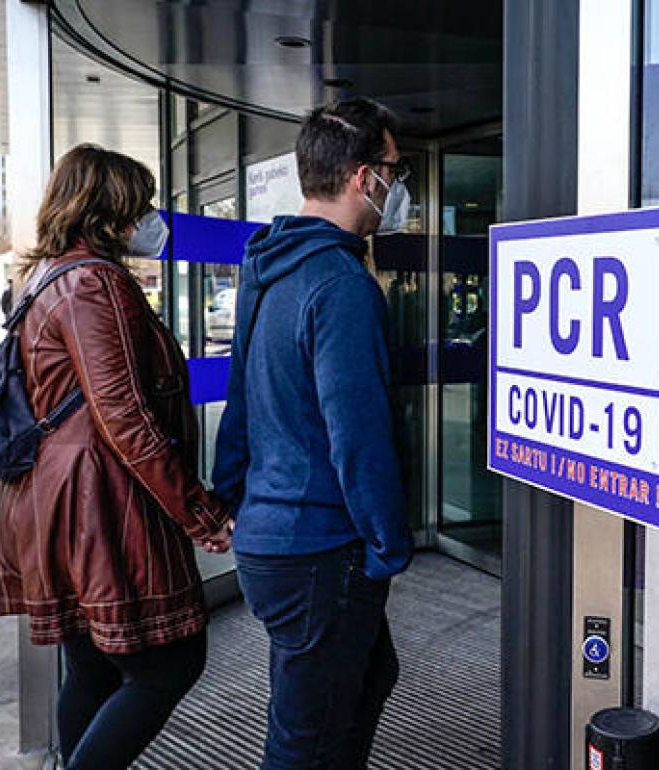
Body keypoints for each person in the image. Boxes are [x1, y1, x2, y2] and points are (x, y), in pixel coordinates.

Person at [0, 144, 233, 769]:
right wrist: (199, 511)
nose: (151, 219)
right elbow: (125, 416)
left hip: (56, 496)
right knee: (169, 664)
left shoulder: (49, 275)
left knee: (92, 669)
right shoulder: (93, 283)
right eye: (142, 205)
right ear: (112, 213)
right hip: (98, 504)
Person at [213, 97, 413, 769]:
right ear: (364, 177)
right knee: (308, 741)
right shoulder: (341, 284)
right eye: (394, 170)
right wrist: (388, 543)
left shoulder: (269, 267)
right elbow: (358, 430)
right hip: (321, 550)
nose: (398, 186)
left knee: (365, 680)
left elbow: (241, 396)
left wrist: (229, 495)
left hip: (275, 540)